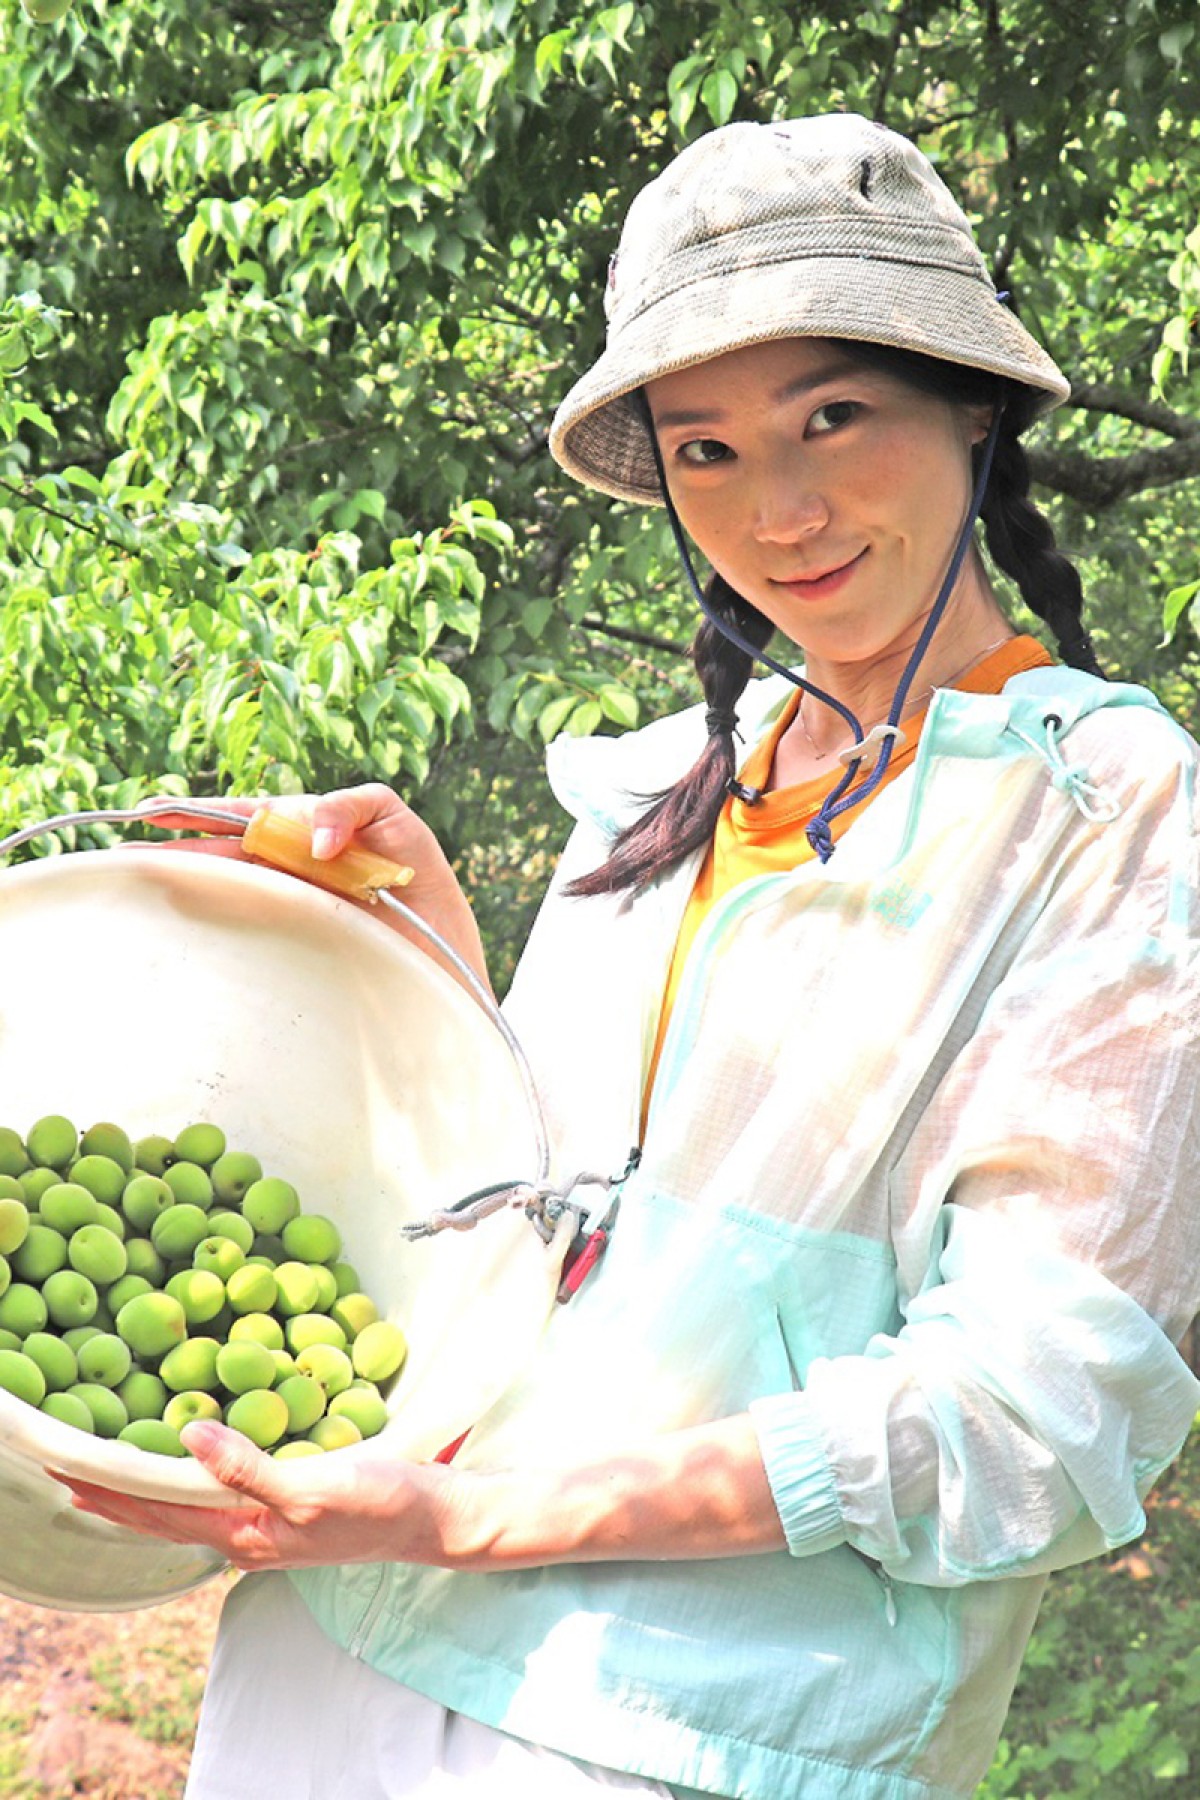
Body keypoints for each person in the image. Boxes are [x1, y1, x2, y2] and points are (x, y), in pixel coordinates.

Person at [60, 113, 1200, 1800]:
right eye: (707, 451)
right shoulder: (676, 775)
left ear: (974, 407)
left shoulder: (1110, 811)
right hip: (338, 1641)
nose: (783, 508)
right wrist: (423, 928)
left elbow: (1035, 1411)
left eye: (835, 416)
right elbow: (552, 1193)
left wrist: (473, 1520)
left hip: (679, 1729)